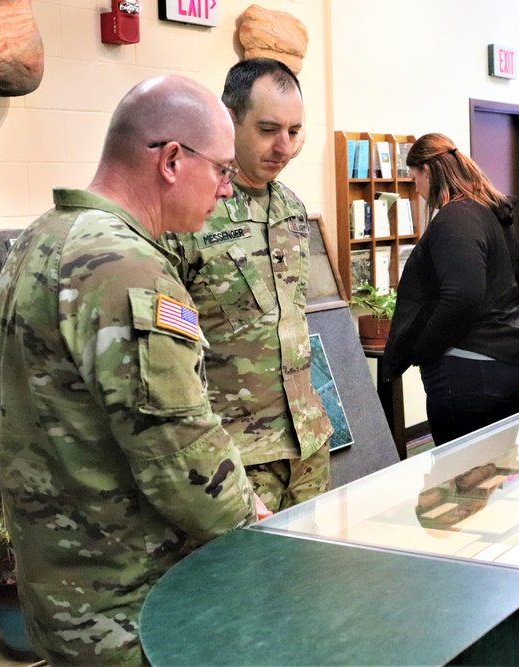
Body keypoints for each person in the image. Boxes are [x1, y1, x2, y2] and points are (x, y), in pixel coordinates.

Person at [0, 75, 268, 666]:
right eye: (221, 169)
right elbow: (180, 457)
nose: (226, 189)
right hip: (132, 607)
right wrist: (252, 519)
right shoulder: (128, 268)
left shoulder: (39, 238)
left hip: (61, 593)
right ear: (172, 160)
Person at [164, 58, 333, 512]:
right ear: (228, 118)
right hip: (236, 455)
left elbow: (291, 320)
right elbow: (169, 351)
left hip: (307, 443)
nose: (284, 146)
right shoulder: (190, 212)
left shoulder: (291, 209)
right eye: (268, 129)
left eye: (295, 131)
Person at [380, 133, 519, 446]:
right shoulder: (488, 209)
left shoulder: (455, 218)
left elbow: (463, 297)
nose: (417, 189)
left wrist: (425, 350)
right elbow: (516, 280)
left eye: (414, 179)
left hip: (474, 370)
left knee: (461, 483)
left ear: (427, 171)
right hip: (508, 357)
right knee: (491, 470)